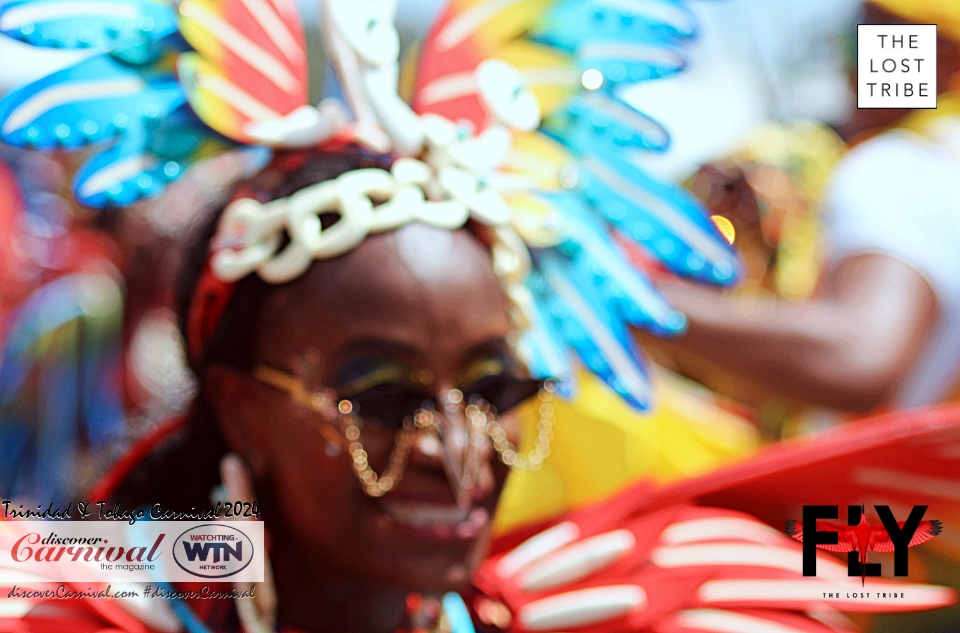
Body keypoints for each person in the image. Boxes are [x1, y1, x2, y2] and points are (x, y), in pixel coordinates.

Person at [0, 1, 957, 632]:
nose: (455, 445)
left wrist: (634, 304)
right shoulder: (73, 601)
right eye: (379, 396)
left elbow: (864, 355)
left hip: (862, 530)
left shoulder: (892, 173)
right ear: (244, 406)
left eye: (498, 385)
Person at [643, 0, 960, 415]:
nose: (852, 57)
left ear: (946, 55)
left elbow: (861, 359)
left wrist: (639, 300)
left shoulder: (901, 166)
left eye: (878, 33)